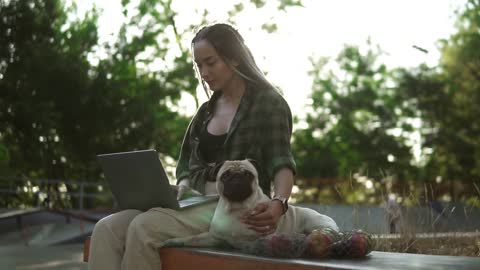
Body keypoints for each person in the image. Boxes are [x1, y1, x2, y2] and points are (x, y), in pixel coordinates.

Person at [88, 23, 336, 270]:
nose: (204, 72)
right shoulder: (204, 113)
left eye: (211, 62)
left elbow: (282, 161)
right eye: (199, 65)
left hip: (232, 208)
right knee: (107, 228)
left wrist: (279, 203)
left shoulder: (268, 104)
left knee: (144, 228)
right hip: (191, 203)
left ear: (234, 59)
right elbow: (185, 166)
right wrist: (180, 188)